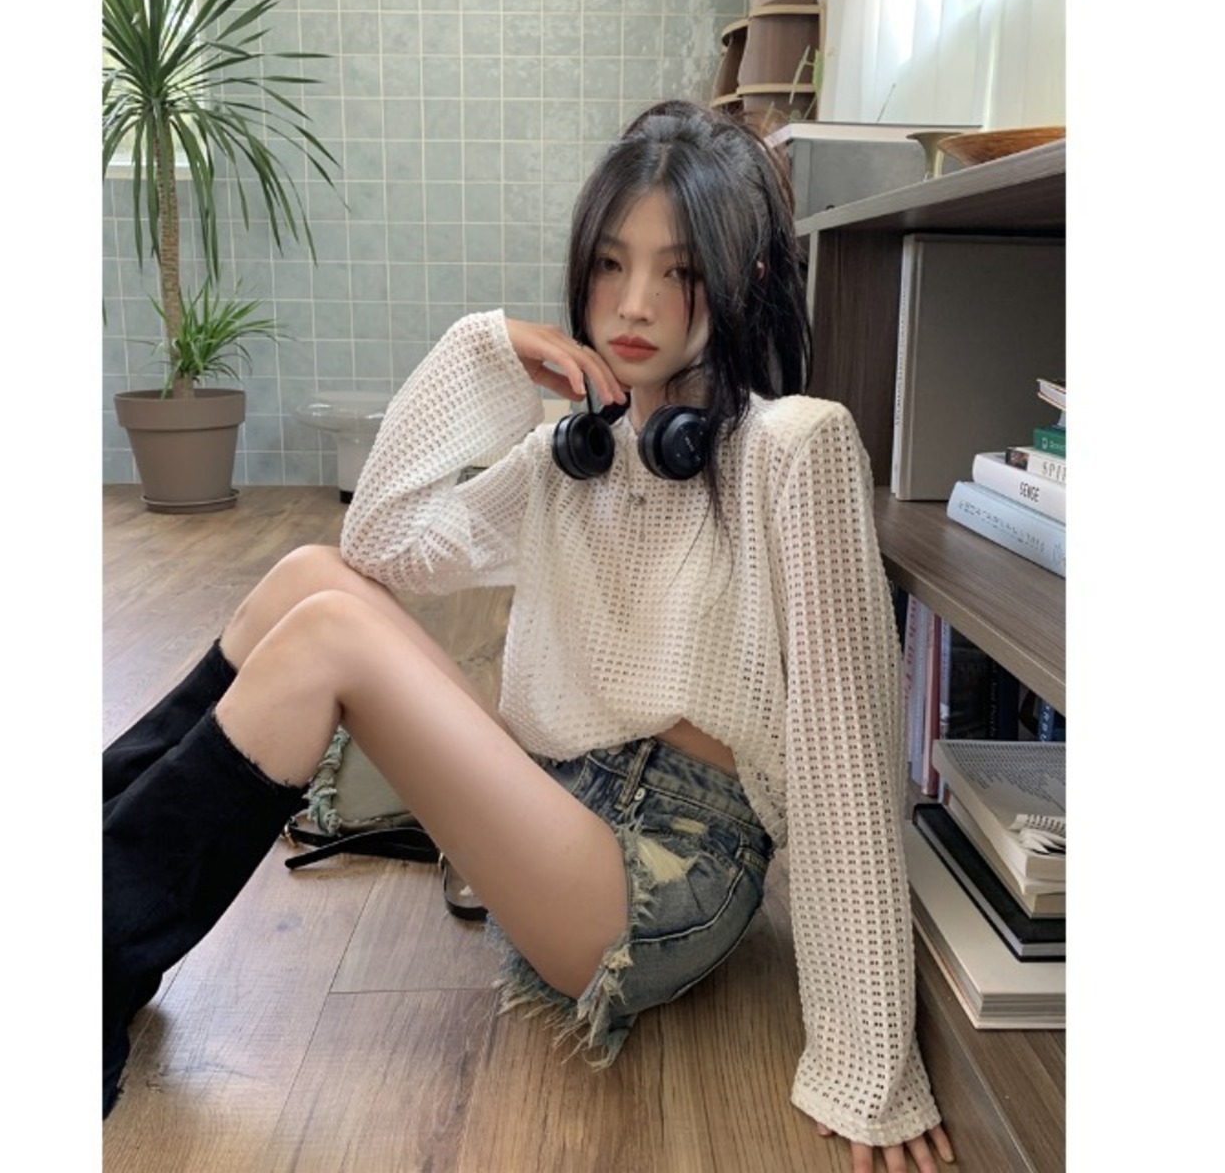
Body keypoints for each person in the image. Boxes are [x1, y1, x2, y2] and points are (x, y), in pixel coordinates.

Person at [103, 99, 954, 1171]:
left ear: (741, 282)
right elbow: (378, 541)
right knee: (310, 577)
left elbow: (847, 758)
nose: (633, 304)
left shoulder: (796, 446)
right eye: (609, 264)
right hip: (558, 815)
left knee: (328, 637)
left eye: (680, 272)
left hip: (664, 876)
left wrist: (868, 1057)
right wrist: (485, 354)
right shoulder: (577, 451)